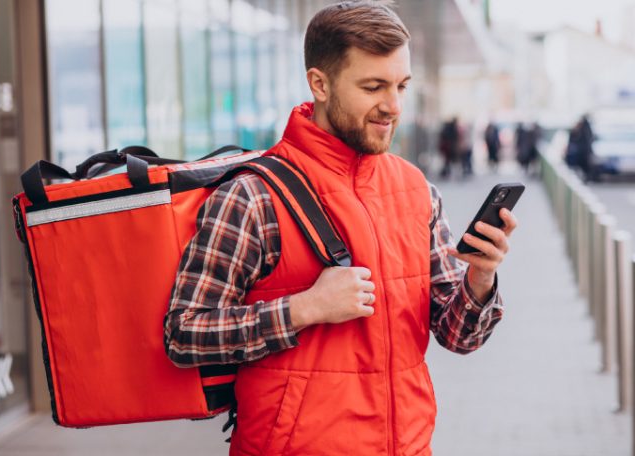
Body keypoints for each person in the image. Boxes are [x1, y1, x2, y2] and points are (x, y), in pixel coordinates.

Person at [163, 2, 518, 455]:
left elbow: (458, 336)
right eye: (373, 87)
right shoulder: (252, 197)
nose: (393, 106)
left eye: (401, 86)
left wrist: (480, 278)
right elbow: (183, 335)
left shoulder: (416, 190)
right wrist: (303, 309)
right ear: (320, 84)